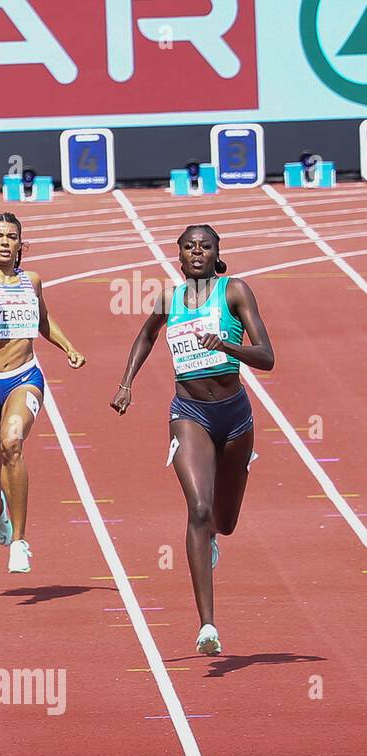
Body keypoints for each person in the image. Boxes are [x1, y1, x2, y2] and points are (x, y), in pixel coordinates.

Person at [111, 225, 274, 657]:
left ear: (217, 252)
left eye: (205, 245)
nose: (197, 251)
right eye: (189, 246)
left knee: (225, 521)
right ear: (179, 256)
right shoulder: (169, 298)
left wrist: (225, 345)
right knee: (199, 509)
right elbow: (147, 334)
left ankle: (214, 537)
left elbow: (268, 357)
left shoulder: (235, 291)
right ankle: (207, 625)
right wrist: (127, 383)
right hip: (190, 414)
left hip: (235, 417)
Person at [0, 213, 85, 573]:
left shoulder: (31, 280)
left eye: (12, 237)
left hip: (24, 377)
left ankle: (20, 543)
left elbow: (42, 320)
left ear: (21, 244)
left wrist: (68, 346)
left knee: (12, 444)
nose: (6, 243)